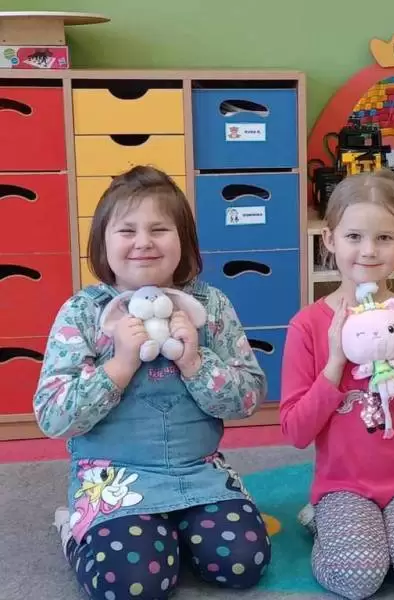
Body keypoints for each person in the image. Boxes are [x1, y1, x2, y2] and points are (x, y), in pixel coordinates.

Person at [33, 166, 271, 600]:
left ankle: (173, 535)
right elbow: (52, 416)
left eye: (159, 229)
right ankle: (75, 530)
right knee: (134, 585)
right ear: (103, 243)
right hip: (113, 480)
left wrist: (196, 362)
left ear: (184, 241)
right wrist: (119, 365)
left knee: (243, 562)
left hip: (198, 471)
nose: (143, 241)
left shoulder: (210, 305)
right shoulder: (83, 312)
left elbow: (249, 398)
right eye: (127, 230)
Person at [280, 170, 394, 600]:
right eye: (354, 237)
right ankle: (321, 520)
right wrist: (334, 365)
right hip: (342, 484)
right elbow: (295, 432)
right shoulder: (307, 325)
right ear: (329, 239)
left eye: (384, 238)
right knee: (358, 577)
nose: (368, 250)